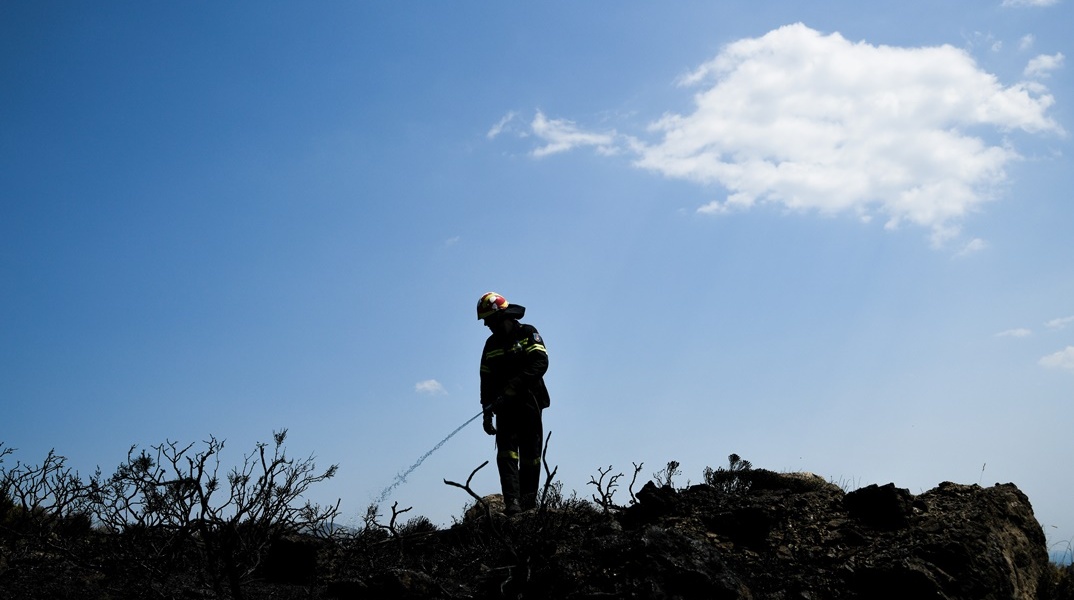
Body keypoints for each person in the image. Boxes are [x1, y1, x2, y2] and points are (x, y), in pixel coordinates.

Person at [476, 292, 550, 515]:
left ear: (503, 316)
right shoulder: (490, 345)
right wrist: (487, 412)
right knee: (506, 455)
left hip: (530, 403)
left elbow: (541, 362)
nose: (488, 325)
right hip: (504, 408)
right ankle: (513, 504)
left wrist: (515, 383)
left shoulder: (527, 333)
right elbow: (486, 381)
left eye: (490, 320)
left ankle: (529, 503)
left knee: (531, 456)